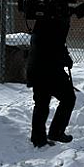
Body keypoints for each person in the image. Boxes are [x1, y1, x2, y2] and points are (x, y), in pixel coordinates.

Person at [26, 12, 76, 147]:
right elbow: (54, 46)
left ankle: (38, 139)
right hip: (49, 71)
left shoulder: (42, 23)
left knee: (41, 104)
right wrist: (65, 59)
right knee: (68, 98)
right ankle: (56, 132)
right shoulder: (56, 24)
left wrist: (65, 57)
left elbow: (55, 44)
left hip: (37, 70)